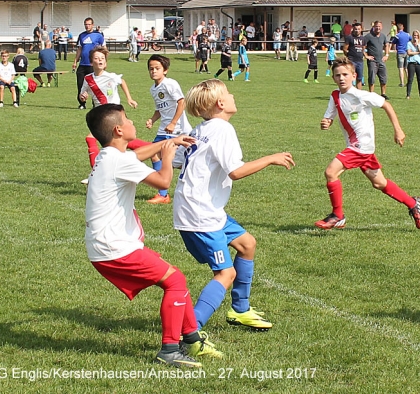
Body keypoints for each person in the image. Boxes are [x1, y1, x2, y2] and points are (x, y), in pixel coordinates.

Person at [84, 103, 219, 368]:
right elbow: (163, 182)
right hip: (114, 247)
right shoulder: (118, 160)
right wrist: (167, 157)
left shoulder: (109, 155)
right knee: (176, 280)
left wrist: (171, 141)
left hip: (107, 244)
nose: (133, 121)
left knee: (174, 277)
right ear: (119, 130)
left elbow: (135, 157)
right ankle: (169, 350)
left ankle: (191, 338)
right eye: (127, 119)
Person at [174, 79, 295, 332]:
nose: (232, 96)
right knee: (225, 274)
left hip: (204, 208)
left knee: (247, 243)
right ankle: (190, 330)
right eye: (228, 93)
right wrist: (271, 158)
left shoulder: (202, 129)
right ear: (220, 103)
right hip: (200, 214)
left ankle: (240, 310)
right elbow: (236, 172)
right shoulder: (222, 129)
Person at [315, 60, 420, 230]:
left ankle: (338, 215)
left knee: (331, 172)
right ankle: (413, 203)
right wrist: (326, 122)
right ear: (334, 78)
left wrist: (398, 130)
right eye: (337, 75)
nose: (341, 78)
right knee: (379, 183)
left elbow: (386, 105)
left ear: (354, 76)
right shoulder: (335, 96)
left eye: (345, 74)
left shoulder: (361, 95)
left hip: (361, 147)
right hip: (360, 148)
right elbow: (329, 117)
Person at [145, 54, 191, 205]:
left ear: (165, 70)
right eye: (151, 69)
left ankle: (164, 194)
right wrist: (152, 119)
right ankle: (163, 193)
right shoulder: (153, 88)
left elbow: (181, 103)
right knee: (155, 155)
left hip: (177, 129)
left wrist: (173, 122)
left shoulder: (170, 84)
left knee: (167, 158)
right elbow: (160, 109)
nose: (153, 71)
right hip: (163, 129)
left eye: (157, 68)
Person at [74, 17, 105, 109]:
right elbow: (79, 49)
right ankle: (82, 104)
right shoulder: (81, 35)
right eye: (86, 24)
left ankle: (95, 104)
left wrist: (103, 61)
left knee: (94, 85)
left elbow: (104, 49)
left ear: (92, 25)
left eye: (89, 24)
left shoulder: (98, 35)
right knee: (80, 85)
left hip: (93, 65)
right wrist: (75, 61)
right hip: (82, 65)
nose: (87, 26)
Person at [363, 21, 390, 97]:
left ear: (382, 27)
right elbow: (362, 46)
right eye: (376, 26)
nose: (378, 28)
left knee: (383, 78)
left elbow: (386, 45)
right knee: (372, 78)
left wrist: (387, 55)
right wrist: (366, 56)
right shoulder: (368, 36)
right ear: (373, 27)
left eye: (379, 26)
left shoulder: (383, 36)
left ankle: (383, 94)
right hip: (372, 61)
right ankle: (371, 94)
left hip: (381, 60)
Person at [342, 22, 366, 89]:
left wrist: (364, 55)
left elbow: (363, 48)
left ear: (361, 29)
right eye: (355, 29)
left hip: (360, 61)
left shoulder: (363, 38)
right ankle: (350, 93)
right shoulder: (349, 37)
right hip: (352, 60)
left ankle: (359, 94)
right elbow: (345, 48)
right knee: (350, 77)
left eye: (358, 29)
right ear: (353, 29)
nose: (357, 30)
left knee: (359, 78)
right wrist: (348, 56)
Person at [405, 30, 420, 99]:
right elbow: (409, 53)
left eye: (417, 35)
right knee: (410, 79)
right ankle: (408, 95)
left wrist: (417, 45)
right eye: (414, 35)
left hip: (419, 64)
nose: (415, 37)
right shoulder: (409, 43)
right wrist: (417, 52)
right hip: (411, 63)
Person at [393, 23, 411, 87]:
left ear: (397, 29)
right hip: (406, 52)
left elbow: (393, 42)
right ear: (403, 27)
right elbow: (411, 40)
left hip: (400, 52)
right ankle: (409, 82)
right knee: (406, 68)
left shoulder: (397, 35)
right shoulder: (407, 34)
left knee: (401, 68)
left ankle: (402, 82)